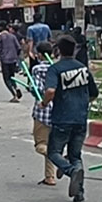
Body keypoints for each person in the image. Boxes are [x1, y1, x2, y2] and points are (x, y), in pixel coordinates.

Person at [43, 35, 99, 202]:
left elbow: (50, 91)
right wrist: (81, 104)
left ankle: (69, 170)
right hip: (80, 118)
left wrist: (44, 102)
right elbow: (93, 93)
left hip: (62, 118)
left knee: (53, 152)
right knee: (75, 155)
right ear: (74, 49)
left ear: (58, 50)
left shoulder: (55, 69)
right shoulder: (82, 68)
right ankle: (79, 194)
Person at [29, 41, 58, 186]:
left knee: (41, 145)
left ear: (39, 54)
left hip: (42, 111)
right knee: (50, 143)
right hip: (59, 112)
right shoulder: (58, 68)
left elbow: (37, 89)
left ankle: (60, 160)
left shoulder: (37, 69)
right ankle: (50, 177)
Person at [0, 23, 23, 102]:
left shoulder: (0, 37)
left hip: (5, 60)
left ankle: (14, 94)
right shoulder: (13, 36)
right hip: (13, 59)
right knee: (12, 76)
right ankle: (16, 88)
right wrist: (16, 56)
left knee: (6, 79)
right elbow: (19, 47)